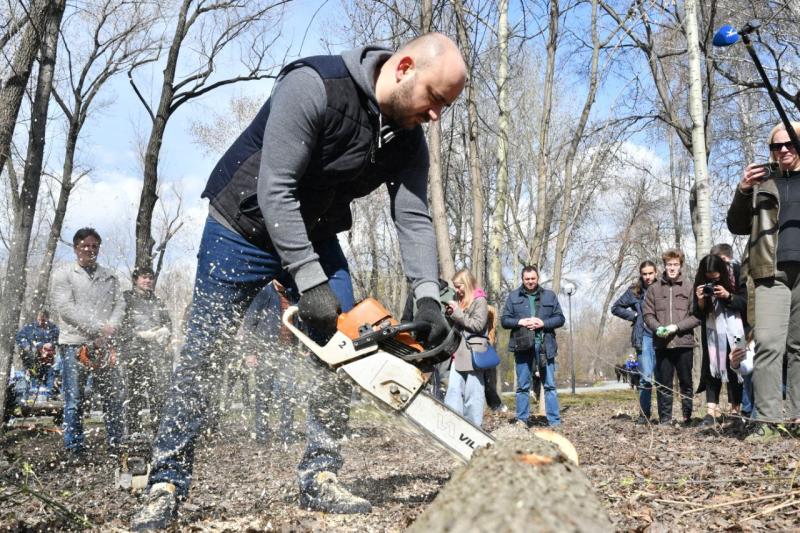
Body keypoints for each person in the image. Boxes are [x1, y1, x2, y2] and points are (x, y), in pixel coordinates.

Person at [131, 33, 467, 530]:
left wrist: (428, 298)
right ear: (404, 68)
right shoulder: (314, 85)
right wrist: (310, 284)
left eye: (445, 105)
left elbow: (413, 217)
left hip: (314, 229)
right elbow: (276, 188)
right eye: (435, 99)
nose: (436, 114)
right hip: (240, 226)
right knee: (206, 351)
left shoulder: (407, 135)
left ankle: (320, 474)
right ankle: (166, 481)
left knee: (351, 341)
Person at [728, 121, 800, 440]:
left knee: (799, 347)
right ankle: (769, 422)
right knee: (770, 344)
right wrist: (743, 190)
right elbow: (737, 224)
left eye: (790, 144)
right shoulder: (762, 182)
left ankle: (797, 419)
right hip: (771, 272)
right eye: (776, 146)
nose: (783, 150)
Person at [50, 227, 125, 460]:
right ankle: (74, 447)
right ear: (76, 248)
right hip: (75, 343)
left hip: (105, 345)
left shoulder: (110, 276)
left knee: (113, 396)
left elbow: (119, 305)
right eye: (85, 246)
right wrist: (97, 328)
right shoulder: (64, 275)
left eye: (94, 246)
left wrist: (110, 328)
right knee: (75, 399)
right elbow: (65, 308)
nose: (90, 250)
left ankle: (116, 444)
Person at [501, 265, 565, 427]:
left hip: (545, 346)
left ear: (538, 279)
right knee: (523, 386)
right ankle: (522, 421)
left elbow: (560, 319)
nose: (530, 282)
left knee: (549, 385)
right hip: (522, 346)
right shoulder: (513, 296)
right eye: (527, 279)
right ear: (522, 279)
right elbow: (504, 320)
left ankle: (554, 422)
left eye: (533, 279)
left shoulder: (549, 296)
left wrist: (543, 323)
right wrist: (520, 322)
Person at [642, 249, 700, 427]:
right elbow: (647, 314)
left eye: (675, 264)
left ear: (681, 265)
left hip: (684, 343)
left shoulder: (689, 287)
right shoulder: (654, 289)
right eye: (669, 265)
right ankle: (665, 419)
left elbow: (696, 316)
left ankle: (687, 418)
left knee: (686, 383)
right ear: (664, 266)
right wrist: (658, 327)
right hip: (662, 345)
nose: (672, 268)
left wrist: (677, 327)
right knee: (663, 384)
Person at [241, 277, 300, 446]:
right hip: (266, 352)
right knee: (263, 394)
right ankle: (261, 433)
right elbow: (250, 322)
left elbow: (298, 322)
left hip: (287, 352)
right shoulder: (264, 292)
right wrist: (250, 352)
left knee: (289, 394)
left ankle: (286, 434)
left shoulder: (292, 294)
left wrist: (300, 348)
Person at [692, 254, 746, 426]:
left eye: (716, 279)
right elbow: (697, 313)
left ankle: (735, 410)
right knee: (711, 367)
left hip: (736, 330)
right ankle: (711, 412)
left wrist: (728, 295)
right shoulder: (700, 280)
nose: (714, 283)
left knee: (736, 366)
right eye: (710, 279)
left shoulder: (736, 272)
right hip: (711, 330)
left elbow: (746, 302)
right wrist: (701, 301)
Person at [118, 266, 172, 437]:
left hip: (156, 354)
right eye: (144, 277)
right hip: (133, 353)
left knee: (158, 394)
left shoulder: (157, 301)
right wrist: (138, 334)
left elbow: (167, 322)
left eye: (150, 278)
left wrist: (165, 333)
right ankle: (134, 433)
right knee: (134, 394)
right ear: (136, 279)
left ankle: (158, 432)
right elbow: (118, 324)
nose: (148, 281)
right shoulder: (126, 299)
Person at [611, 261, 657, 423]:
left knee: (663, 378)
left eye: (650, 273)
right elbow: (615, 308)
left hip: (662, 336)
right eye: (644, 274)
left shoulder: (663, 288)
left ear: (656, 273)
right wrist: (635, 316)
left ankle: (666, 416)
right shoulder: (634, 292)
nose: (648, 277)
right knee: (645, 377)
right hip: (643, 336)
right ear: (641, 274)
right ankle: (645, 415)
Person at [443, 269, 490, 427]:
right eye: (455, 287)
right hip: (457, 353)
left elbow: (477, 325)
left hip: (473, 354)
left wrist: (457, 313)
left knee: (473, 396)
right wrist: (450, 314)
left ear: (467, 283)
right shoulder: (459, 299)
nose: (456, 290)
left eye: (459, 286)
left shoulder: (480, 300)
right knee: (453, 392)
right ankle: (453, 426)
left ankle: (473, 429)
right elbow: (459, 322)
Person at [15, 310, 60, 400]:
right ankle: (31, 398)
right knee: (33, 378)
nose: (41, 322)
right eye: (39, 320)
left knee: (49, 377)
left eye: (43, 320)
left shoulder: (53, 328)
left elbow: (58, 339)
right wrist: (27, 346)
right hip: (33, 360)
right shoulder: (30, 327)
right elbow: (19, 337)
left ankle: (48, 398)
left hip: (48, 360)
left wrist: (52, 344)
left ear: (47, 319)